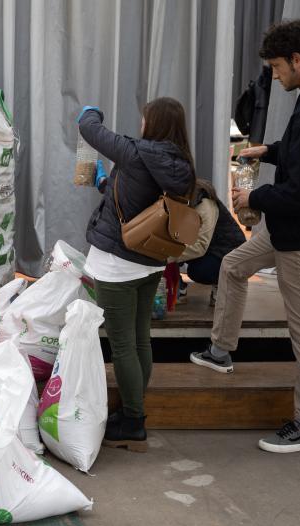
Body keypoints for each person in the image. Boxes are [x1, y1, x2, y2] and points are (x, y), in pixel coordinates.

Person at [189, 19, 300, 454]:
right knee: (232, 266)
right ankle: (221, 352)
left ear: (297, 61)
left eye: (278, 67)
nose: (275, 75)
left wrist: (254, 194)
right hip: (287, 229)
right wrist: (270, 151)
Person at [78, 97, 196, 452]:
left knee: (123, 344)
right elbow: (141, 196)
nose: (141, 124)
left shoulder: (137, 152)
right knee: (140, 337)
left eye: (145, 119)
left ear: (154, 123)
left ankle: (133, 420)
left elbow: (89, 128)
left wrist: (91, 111)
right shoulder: (181, 162)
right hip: (151, 260)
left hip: (117, 265)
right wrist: (105, 184)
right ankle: (135, 408)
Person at [175, 178, 246, 306]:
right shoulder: (185, 200)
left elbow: (200, 246)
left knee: (199, 271)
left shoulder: (205, 205)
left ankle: (221, 284)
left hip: (226, 252)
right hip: (210, 248)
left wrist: (167, 257)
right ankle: (178, 286)